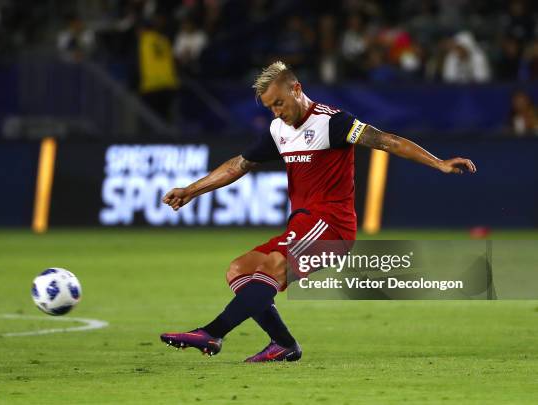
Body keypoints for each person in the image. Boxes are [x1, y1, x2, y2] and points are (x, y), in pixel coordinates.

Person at [160, 61, 476, 362]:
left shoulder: (332, 122)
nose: (276, 112)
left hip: (331, 227)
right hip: (304, 224)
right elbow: (238, 165)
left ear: (296, 88)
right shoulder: (278, 131)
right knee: (239, 270)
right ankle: (283, 345)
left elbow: (387, 141)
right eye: (270, 106)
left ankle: (212, 333)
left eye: (279, 103)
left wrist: (438, 163)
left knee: (272, 266)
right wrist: (191, 190)